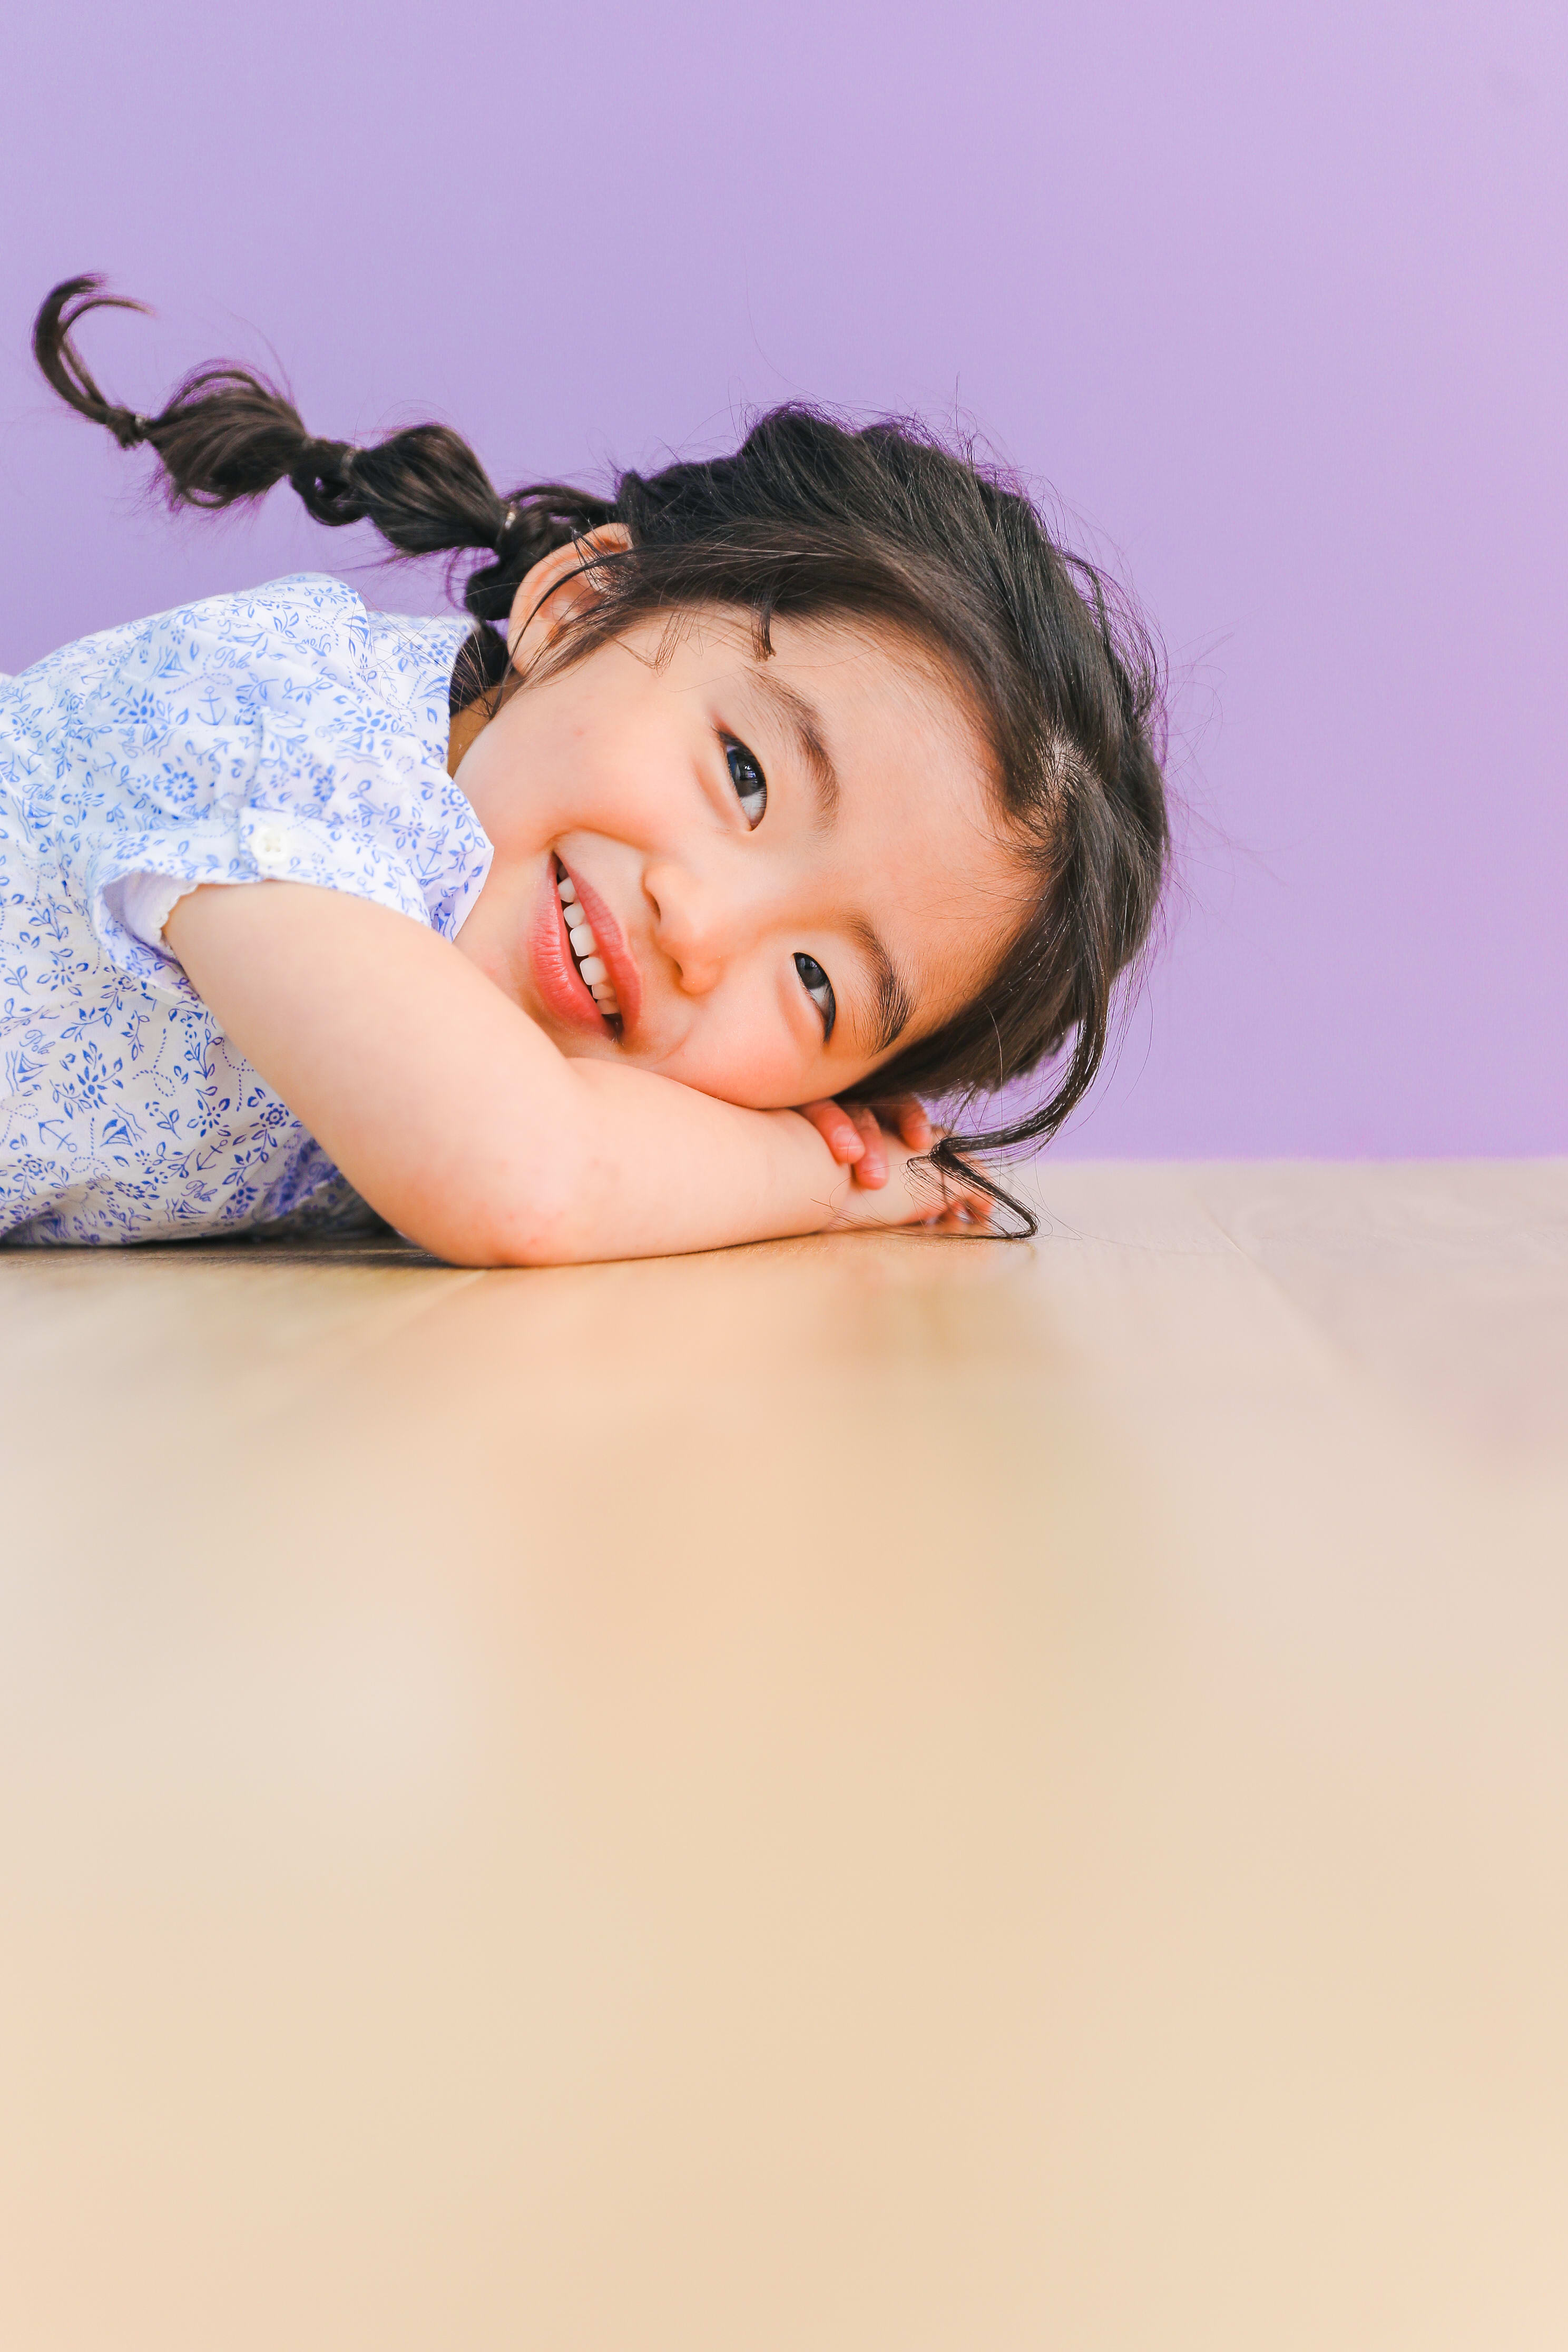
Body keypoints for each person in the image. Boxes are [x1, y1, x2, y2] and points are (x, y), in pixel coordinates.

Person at [0, 276, 1168, 1263]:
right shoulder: (303, 737)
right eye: (747, 776)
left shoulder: (461, 1011)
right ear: (576, 606)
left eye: (815, 983)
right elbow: (523, 1176)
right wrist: (814, 1177)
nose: (700, 928)